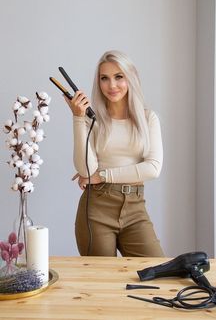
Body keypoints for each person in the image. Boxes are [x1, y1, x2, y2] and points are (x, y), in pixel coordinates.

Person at [65, 50, 164, 257]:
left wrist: (102, 175)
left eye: (119, 76)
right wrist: (78, 118)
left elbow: (153, 168)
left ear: (131, 78)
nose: (112, 85)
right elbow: (85, 169)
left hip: (135, 208)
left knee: (156, 273)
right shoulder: (91, 120)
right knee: (101, 281)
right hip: (96, 207)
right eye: (104, 78)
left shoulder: (148, 118)